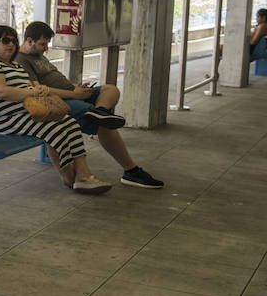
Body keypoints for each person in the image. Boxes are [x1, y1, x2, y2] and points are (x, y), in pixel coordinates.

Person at [14, 21, 163, 189]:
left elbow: (54, 80)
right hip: (60, 102)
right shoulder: (22, 60)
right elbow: (40, 91)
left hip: (73, 94)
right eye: (43, 44)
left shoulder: (37, 55)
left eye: (47, 43)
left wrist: (76, 87)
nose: (46, 48)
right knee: (103, 125)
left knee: (110, 89)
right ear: (29, 41)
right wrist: (74, 94)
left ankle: (100, 111)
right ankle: (131, 171)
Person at [0, 25, 112, 194]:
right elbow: (1, 91)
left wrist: (39, 89)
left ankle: (83, 174)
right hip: (8, 119)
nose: (10, 44)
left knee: (70, 123)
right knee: (54, 129)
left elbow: (33, 86)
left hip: (27, 114)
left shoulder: (16, 67)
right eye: (5, 40)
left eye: (13, 40)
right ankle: (69, 176)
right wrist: (32, 91)